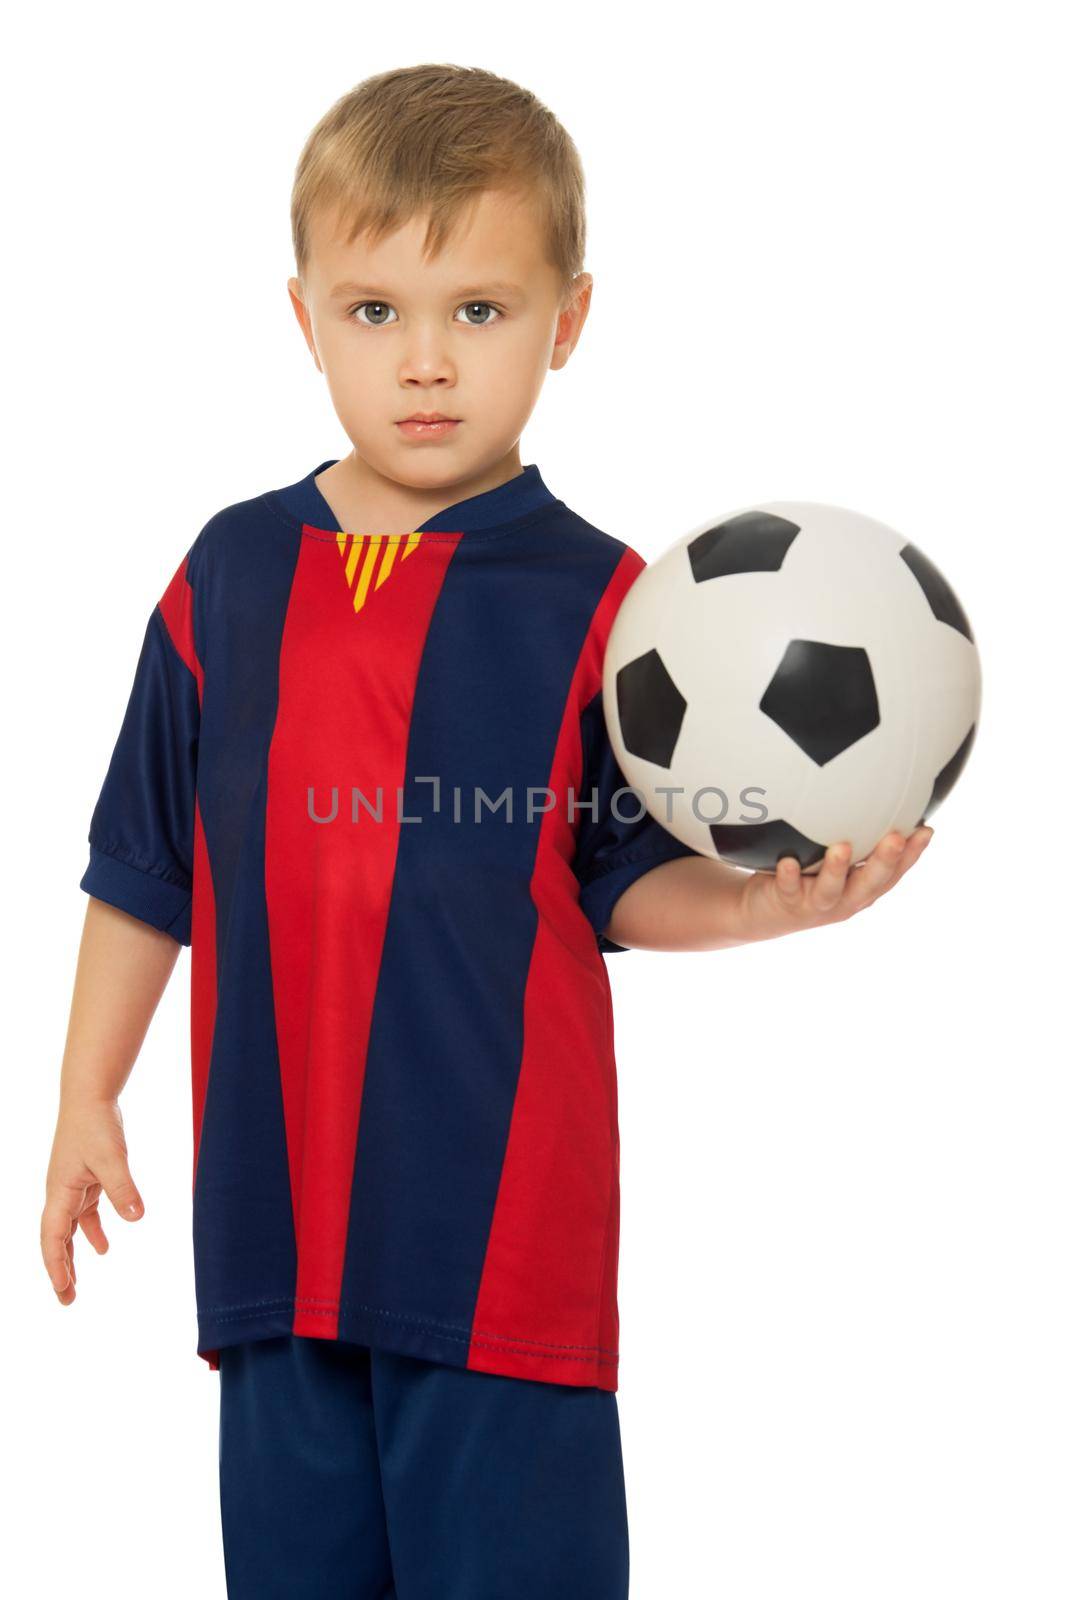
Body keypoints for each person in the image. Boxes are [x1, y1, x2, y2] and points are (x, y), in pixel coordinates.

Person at [40, 62, 933, 1599]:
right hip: (277, 1247)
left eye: (481, 310)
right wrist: (82, 1093)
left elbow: (617, 876)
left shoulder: (614, 608)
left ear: (567, 321)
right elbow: (143, 867)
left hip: (503, 1253)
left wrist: (761, 909)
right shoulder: (227, 578)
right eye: (377, 310)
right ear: (305, 317)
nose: (426, 363)